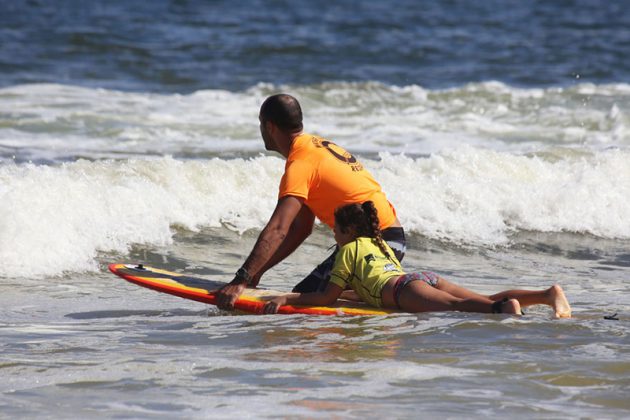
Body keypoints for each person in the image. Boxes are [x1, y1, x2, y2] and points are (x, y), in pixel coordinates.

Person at [216, 94, 406, 309]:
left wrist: (241, 280)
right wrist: (255, 273)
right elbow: (300, 228)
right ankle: (366, 296)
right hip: (387, 240)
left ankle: (371, 299)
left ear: (269, 126)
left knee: (302, 305)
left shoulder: (301, 163)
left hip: (376, 245)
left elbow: (278, 228)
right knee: (303, 297)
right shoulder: (315, 147)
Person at [263, 201, 572, 318]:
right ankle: (546, 295)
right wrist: (350, 294)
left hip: (403, 292)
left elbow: (326, 298)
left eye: (335, 230)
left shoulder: (347, 251)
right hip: (420, 279)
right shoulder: (377, 243)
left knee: (460, 308)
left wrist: (286, 297)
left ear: (347, 231)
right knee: (478, 298)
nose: (333, 236)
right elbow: (366, 286)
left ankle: (503, 309)